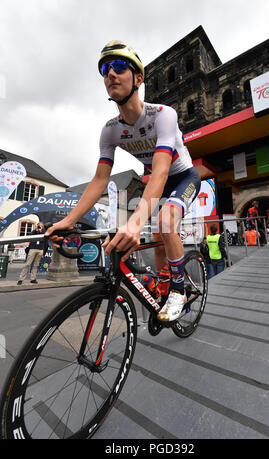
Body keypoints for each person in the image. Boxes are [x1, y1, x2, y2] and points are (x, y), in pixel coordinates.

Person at [45, 40, 201, 322]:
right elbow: (99, 181)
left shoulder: (164, 116)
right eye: (105, 70)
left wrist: (135, 222)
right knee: (155, 235)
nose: (110, 74)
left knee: (165, 222)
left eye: (119, 67)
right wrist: (69, 220)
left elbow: (162, 170)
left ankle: (179, 289)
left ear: (138, 78)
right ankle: (164, 281)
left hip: (182, 176)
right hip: (158, 179)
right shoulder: (110, 131)